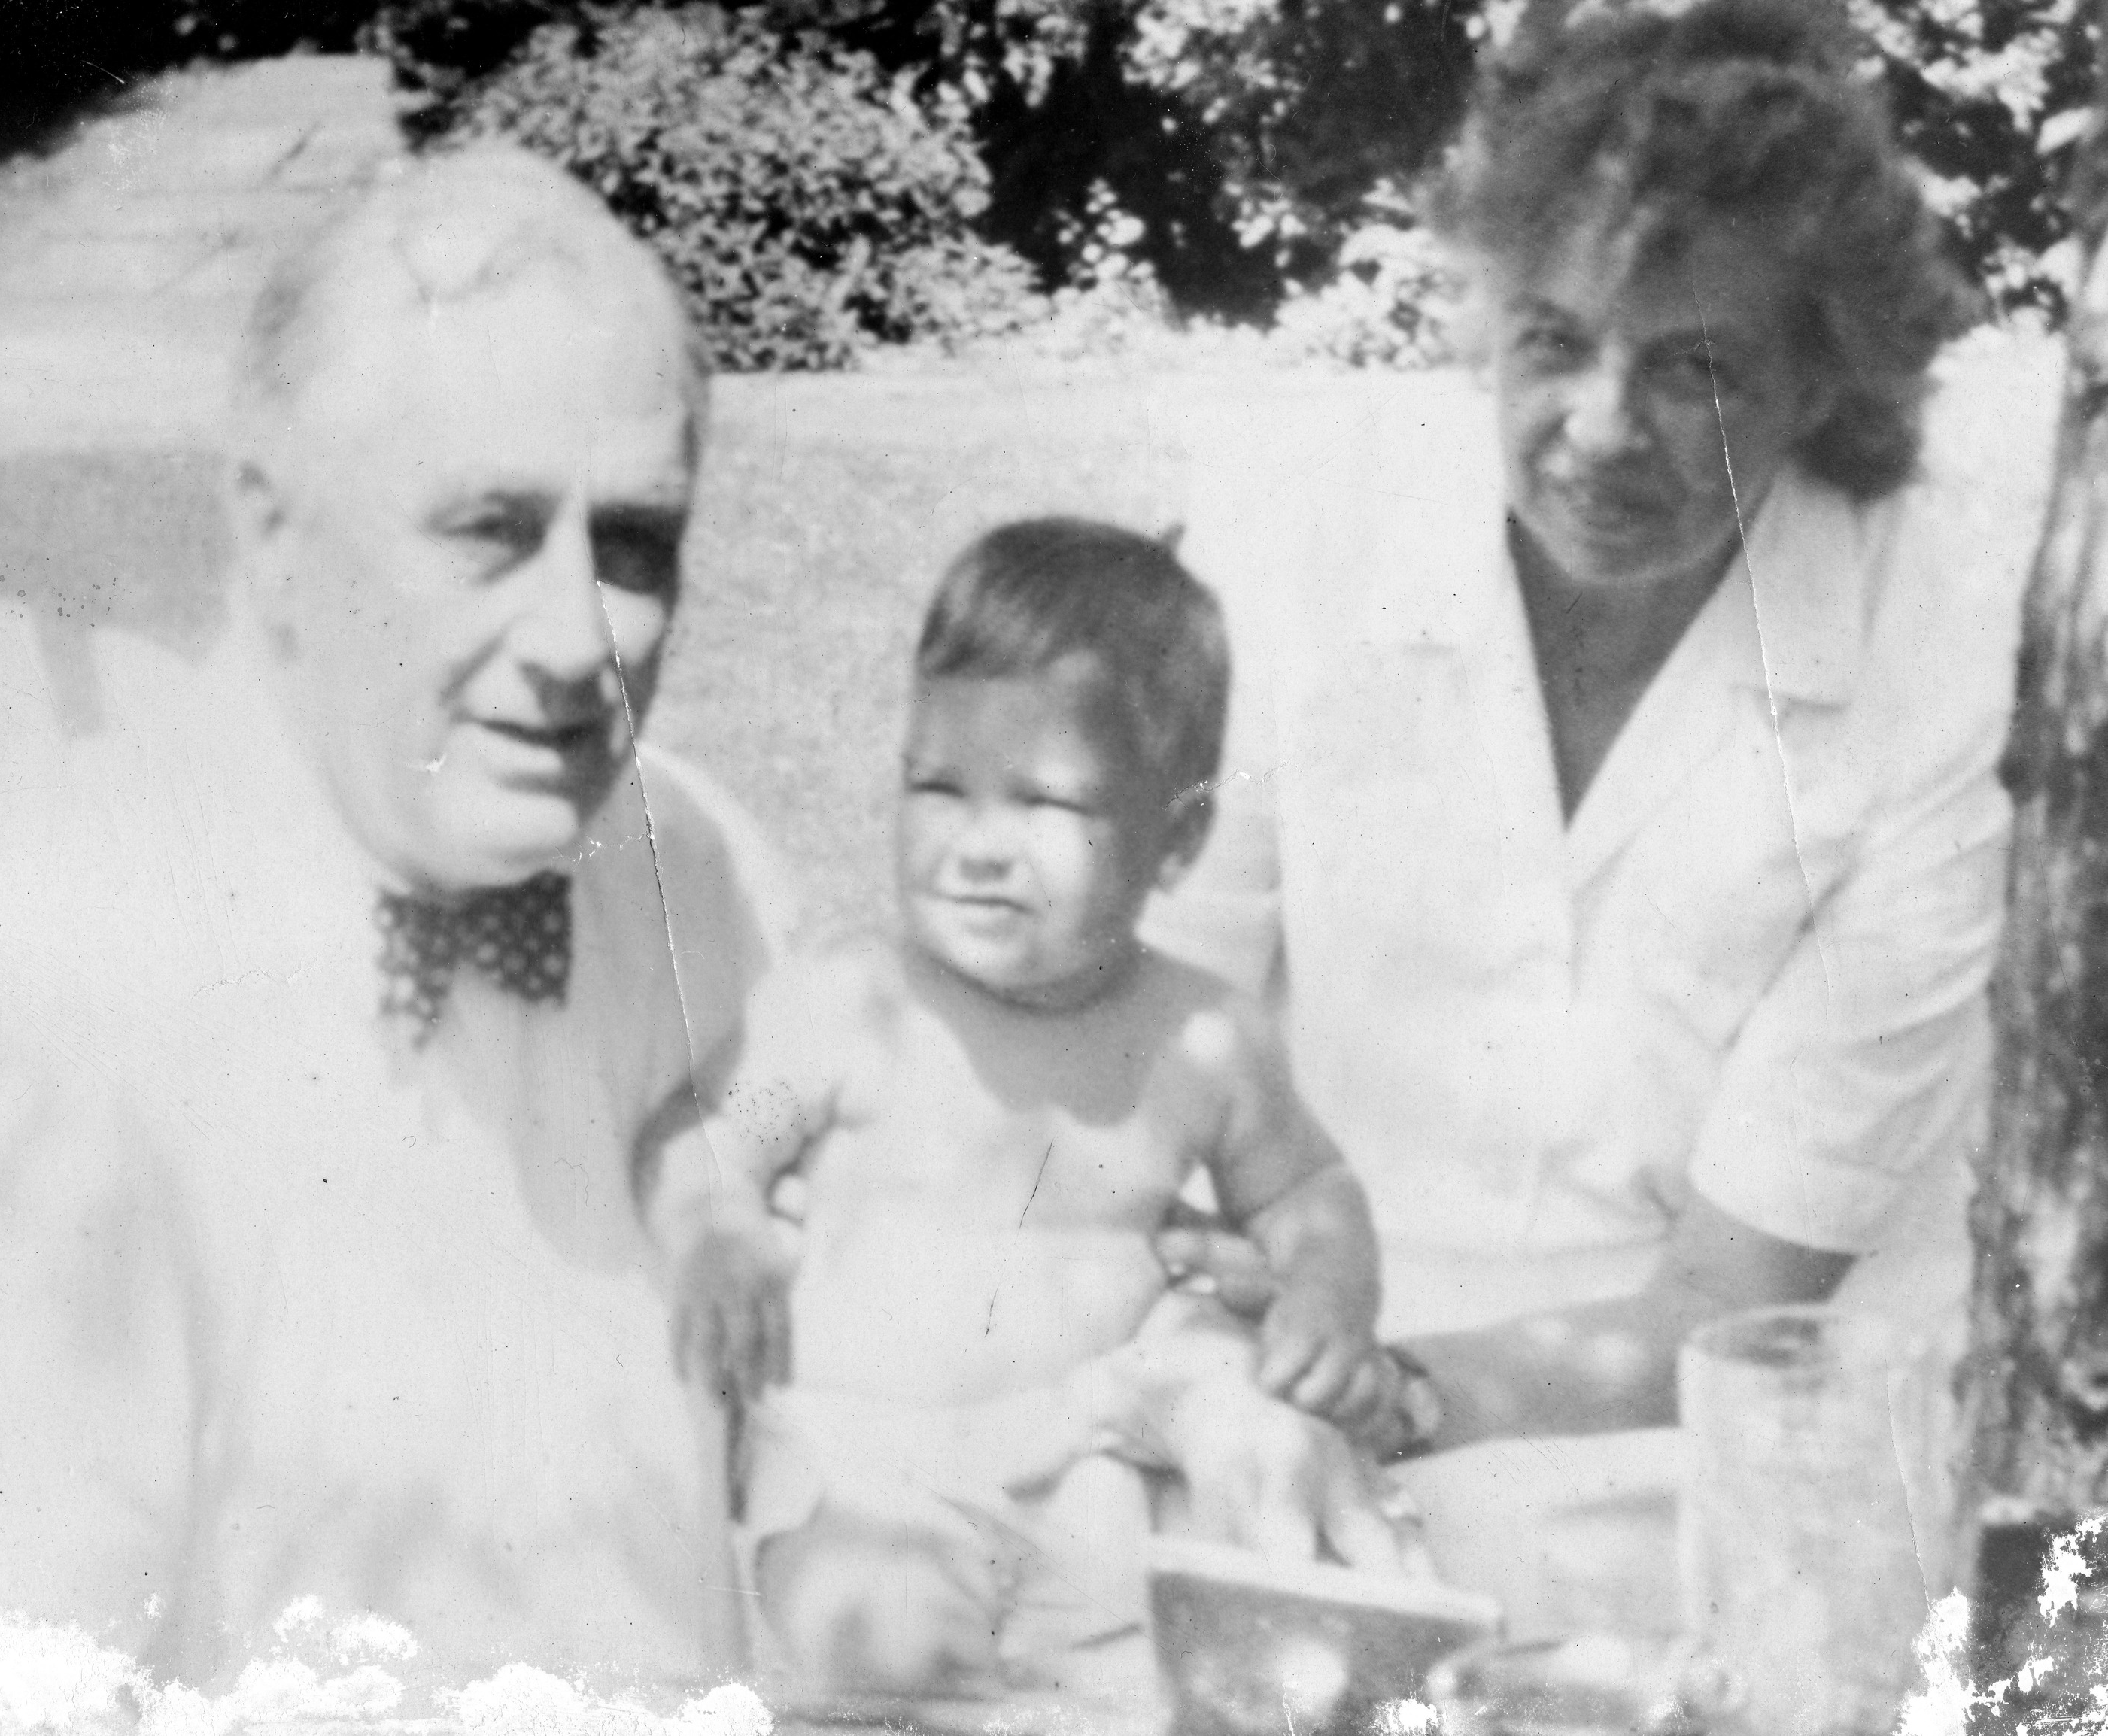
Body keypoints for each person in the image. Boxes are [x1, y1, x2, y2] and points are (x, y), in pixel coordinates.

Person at [1142, 0, 2051, 1631]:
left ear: (1826, 373)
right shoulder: (1301, 537)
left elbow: (1736, 1295)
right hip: (1285, 1388)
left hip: (1720, 1469)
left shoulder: (1940, 664)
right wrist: (1222, 1390)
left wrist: (1370, 1401)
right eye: (1555, 340)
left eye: (1696, 366)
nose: (1602, 430)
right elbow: (1133, 1055)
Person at [0, 147, 796, 1694]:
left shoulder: (695, 861)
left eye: (633, 544)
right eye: (489, 529)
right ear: (275, 537)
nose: (575, 640)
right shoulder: (41, 984)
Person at [650, 520, 1395, 1695]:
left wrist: (1326, 1299)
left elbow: (1308, 1190)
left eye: (1045, 804)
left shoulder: (1198, 1036)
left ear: (1179, 837)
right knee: (887, 1643)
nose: (980, 847)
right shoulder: (849, 1006)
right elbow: (698, 1143)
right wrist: (722, 1224)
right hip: (863, 1469)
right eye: (939, 787)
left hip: (1095, 1454)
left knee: (1205, 1646)